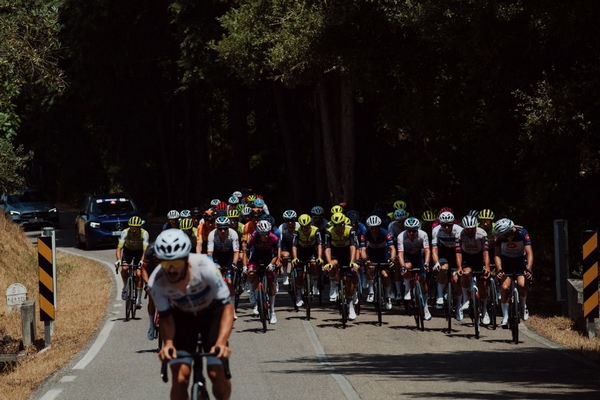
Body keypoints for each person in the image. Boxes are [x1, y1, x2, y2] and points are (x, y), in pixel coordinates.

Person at [149, 229, 233, 400]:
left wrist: (221, 342)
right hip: (182, 319)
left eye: (175, 263)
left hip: (211, 315)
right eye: (165, 264)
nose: (171, 269)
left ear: (186, 259)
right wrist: (169, 343)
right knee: (180, 378)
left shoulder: (206, 267)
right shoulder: (156, 281)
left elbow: (227, 307)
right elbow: (165, 316)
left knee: (216, 374)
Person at [494, 218, 533, 327]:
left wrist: (529, 268)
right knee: (505, 287)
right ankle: (505, 316)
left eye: (501, 234)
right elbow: (497, 254)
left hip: (520, 260)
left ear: (507, 232)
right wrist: (499, 269)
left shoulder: (522, 233)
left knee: (522, 284)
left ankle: (523, 305)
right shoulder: (499, 236)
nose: (498, 236)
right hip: (506, 261)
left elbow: (529, 253)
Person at [323, 212, 360, 320]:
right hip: (335, 252)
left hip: (347, 253)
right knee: (333, 265)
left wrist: (353, 262)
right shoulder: (329, 231)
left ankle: (351, 304)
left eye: (340, 225)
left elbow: (353, 247)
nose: (337, 228)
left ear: (344, 224)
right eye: (335, 225)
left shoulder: (350, 230)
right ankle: (333, 286)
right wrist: (329, 262)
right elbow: (327, 248)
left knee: (348, 278)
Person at [456, 215, 491, 324]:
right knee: (465, 274)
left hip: (479, 258)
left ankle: (484, 310)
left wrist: (487, 266)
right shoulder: (459, 234)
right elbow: (458, 253)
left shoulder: (482, 234)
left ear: (476, 227)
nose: (470, 231)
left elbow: (485, 252)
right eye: (467, 229)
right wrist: (459, 267)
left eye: (472, 228)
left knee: (483, 286)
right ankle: (466, 299)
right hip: (467, 257)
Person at [396, 217, 432, 321]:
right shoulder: (401, 236)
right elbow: (400, 253)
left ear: (417, 230)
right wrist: (402, 266)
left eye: (414, 231)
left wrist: (426, 264)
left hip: (418, 257)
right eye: (409, 231)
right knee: (407, 267)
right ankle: (407, 289)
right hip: (407, 256)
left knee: (423, 280)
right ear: (406, 230)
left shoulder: (423, 235)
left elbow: (427, 250)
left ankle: (425, 306)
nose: (411, 233)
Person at [244, 220, 279, 323]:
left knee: (271, 282)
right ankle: (252, 292)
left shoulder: (274, 238)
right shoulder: (253, 237)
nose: (266, 236)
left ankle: (272, 311)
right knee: (251, 273)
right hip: (256, 257)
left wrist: (272, 264)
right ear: (259, 233)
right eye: (263, 234)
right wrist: (245, 266)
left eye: (267, 233)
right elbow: (246, 252)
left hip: (269, 258)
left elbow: (276, 254)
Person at [207, 216, 240, 319]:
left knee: (229, 281)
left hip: (229, 257)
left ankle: (232, 309)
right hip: (217, 257)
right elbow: (210, 253)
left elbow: (236, 252)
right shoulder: (212, 235)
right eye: (220, 228)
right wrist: (212, 265)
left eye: (225, 228)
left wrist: (234, 263)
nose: (223, 231)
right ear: (216, 228)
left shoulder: (233, 234)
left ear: (228, 228)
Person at [431, 212, 463, 314]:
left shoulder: (459, 230)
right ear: (440, 224)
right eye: (444, 225)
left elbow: (461, 249)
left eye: (449, 225)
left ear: (453, 224)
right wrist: (436, 263)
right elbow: (434, 249)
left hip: (456, 252)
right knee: (443, 268)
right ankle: (440, 296)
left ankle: (459, 306)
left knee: (456, 279)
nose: (446, 228)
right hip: (444, 251)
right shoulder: (436, 230)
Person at [361, 215, 396, 310]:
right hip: (372, 252)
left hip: (383, 252)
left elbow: (392, 248)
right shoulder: (365, 233)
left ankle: (387, 296)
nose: (374, 230)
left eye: (376, 227)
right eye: (371, 228)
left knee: (385, 274)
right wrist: (365, 259)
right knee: (370, 267)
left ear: (379, 226)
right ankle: (371, 292)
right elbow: (363, 249)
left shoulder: (385, 233)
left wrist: (392, 258)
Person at [116, 216, 150, 307]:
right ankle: (125, 287)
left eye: (136, 228)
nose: (134, 230)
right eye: (132, 228)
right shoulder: (125, 232)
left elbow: (145, 250)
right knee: (124, 268)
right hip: (128, 251)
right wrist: (118, 260)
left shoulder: (144, 234)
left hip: (140, 252)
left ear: (140, 228)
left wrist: (142, 261)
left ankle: (138, 298)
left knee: (139, 274)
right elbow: (119, 248)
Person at [291, 214, 324, 304]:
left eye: (307, 226)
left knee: (314, 263)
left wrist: (319, 257)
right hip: (300, 251)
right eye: (303, 226)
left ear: (310, 224)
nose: (305, 228)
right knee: (300, 274)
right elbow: (294, 246)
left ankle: (315, 285)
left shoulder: (316, 230)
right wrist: (295, 258)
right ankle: (299, 294)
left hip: (311, 250)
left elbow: (319, 245)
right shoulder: (297, 232)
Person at [141, 243, 160, 340]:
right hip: (151, 272)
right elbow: (143, 268)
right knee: (152, 298)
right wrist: (147, 283)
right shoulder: (150, 250)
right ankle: (151, 325)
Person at [278, 210, 299, 287]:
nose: (290, 223)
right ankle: (285, 274)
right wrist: (279, 257)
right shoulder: (281, 227)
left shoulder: (298, 226)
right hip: (286, 245)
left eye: (292, 221)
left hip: (297, 245)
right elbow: (279, 243)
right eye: (287, 221)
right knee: (285, 256)